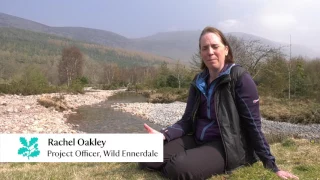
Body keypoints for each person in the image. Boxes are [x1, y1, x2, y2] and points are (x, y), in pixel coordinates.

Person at [139, 26, 299, 180]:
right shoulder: (198, 80)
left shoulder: (239, 78)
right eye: (205, 48)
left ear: (226, 49)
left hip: (226, 144)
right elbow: (187, 120)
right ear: (201, 53)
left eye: (215, 46)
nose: (210, 52)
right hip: (198, 138)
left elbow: (254, 125)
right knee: (146, 156)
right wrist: (164, 135)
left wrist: (271, 164)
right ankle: (192, 156)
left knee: (177, 169)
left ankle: (200, 160)